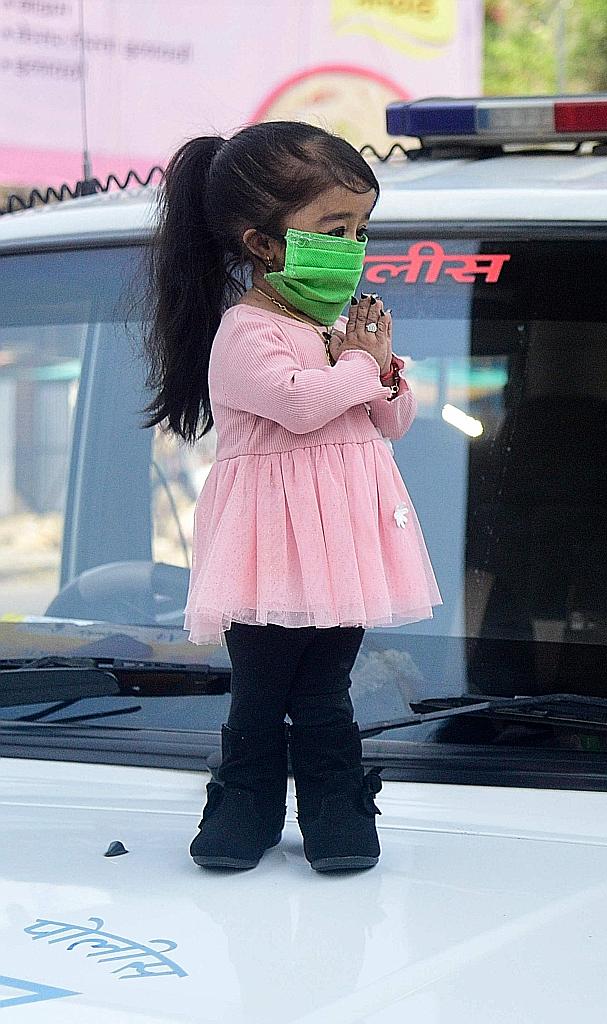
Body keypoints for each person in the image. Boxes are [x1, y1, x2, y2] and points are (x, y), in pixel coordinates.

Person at [142, 122, 441, 873]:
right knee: (259, 691)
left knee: (325, 692)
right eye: (332, 228)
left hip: (341, 555)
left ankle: (338, 818)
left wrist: (381, 369)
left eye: (361, 229)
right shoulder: (246, 332)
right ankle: (244, 812)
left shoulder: (336, 328)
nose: (353, 245)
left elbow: (393, 418)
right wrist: (363, 365)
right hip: (268, 556)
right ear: (264, 244)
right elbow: (300, 406)